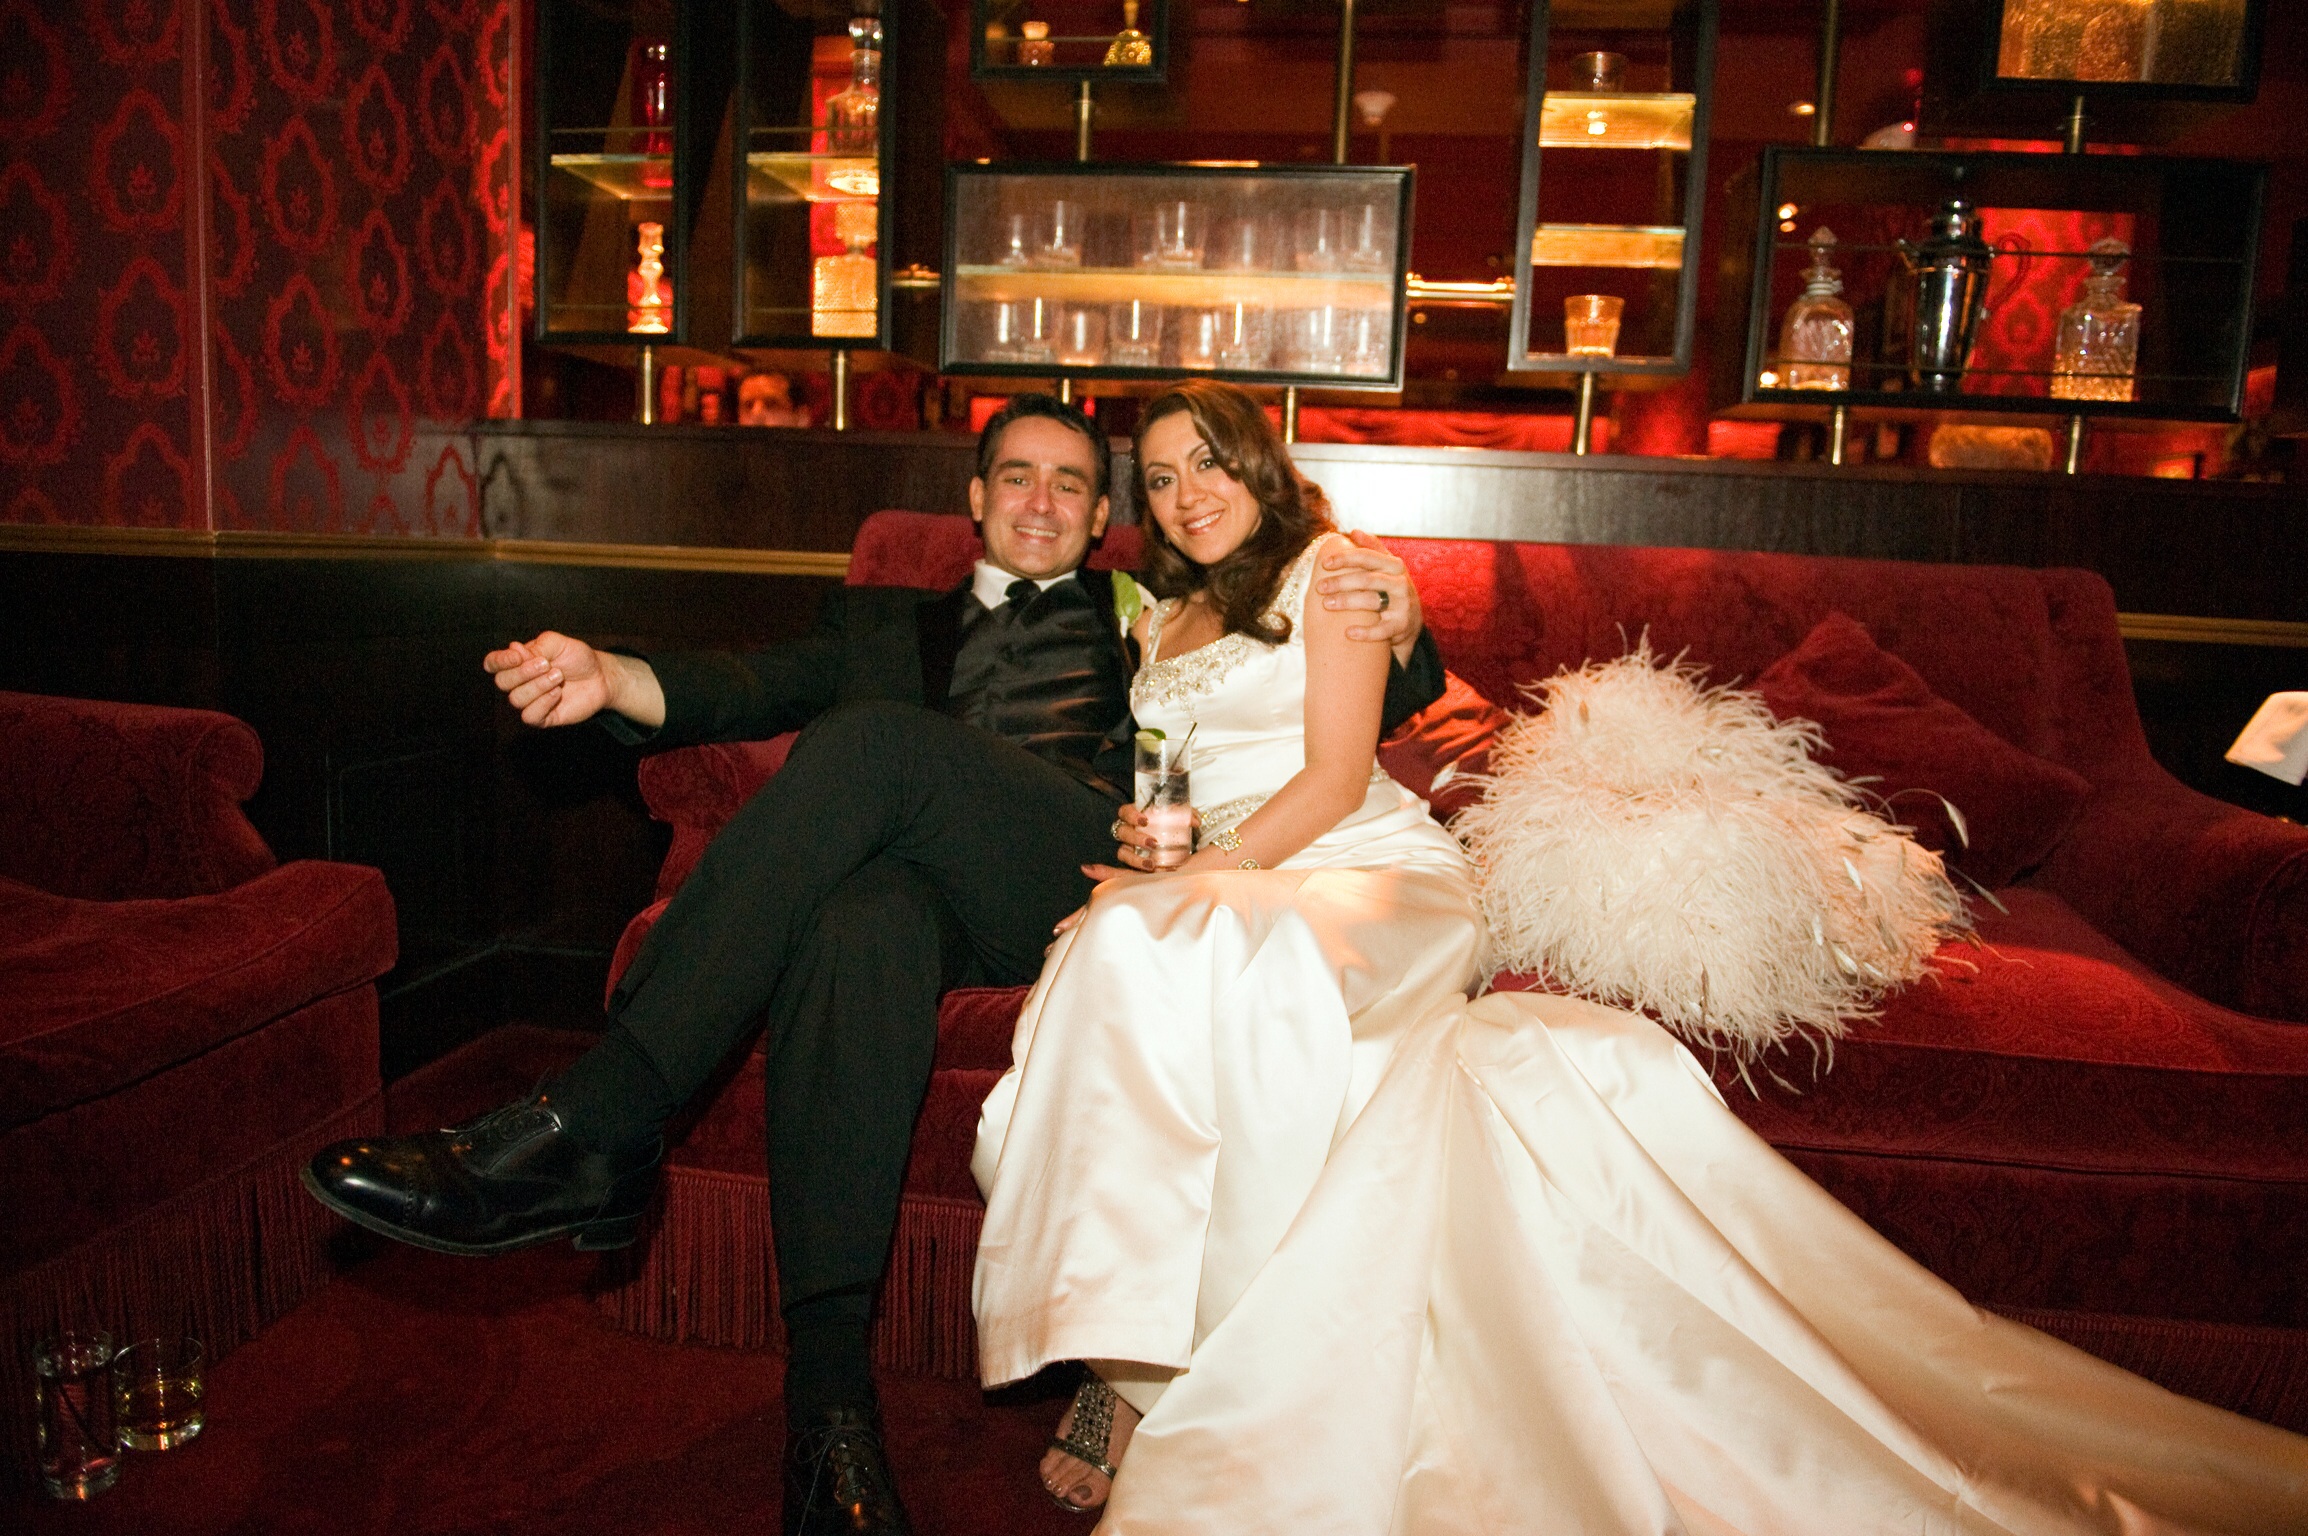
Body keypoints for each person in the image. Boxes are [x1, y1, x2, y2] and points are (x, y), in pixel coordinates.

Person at [970, 379, 2308, 1531]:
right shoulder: (1154, 613)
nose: (1189, 491)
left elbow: (1329, 776)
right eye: (1161, 477)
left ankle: (1164, 1377)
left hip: (1367, 868)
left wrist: (1199, 871)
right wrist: (1160, 851)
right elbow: (1171, 771)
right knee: (1126, 953)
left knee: (1201, 955)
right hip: (1235, 868)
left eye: (1208, 460)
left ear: (1259, 467)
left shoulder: (1338, 572)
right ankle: (1141, 1349)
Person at [299, 393, 1447, 1536]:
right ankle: (830, 1413)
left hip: (1083, 876)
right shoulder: (878, 627)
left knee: (875, 741)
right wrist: (613, 675)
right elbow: (743, 684)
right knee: (861, 923)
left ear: (1102, 518)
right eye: (1016, 476)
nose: (1040, 501)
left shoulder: (1154, 605)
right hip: (926, 893)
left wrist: (1402, 622)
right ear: (975, 499)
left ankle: (600, 1116)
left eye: (1070, 483)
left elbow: (1329, 692)